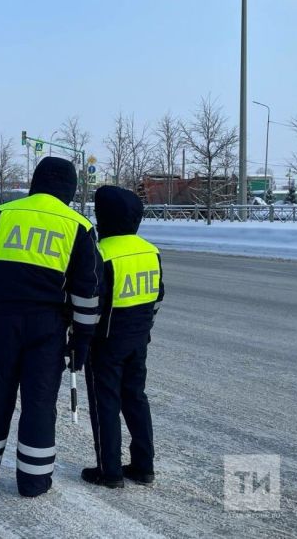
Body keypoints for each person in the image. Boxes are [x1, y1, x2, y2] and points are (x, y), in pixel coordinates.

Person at [0, 156, 103, 497]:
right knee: (39, 403)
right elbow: (86, 292)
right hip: (48, 328)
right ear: (70, 189)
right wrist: (82, 340)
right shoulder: (79, 226)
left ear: (35, 182)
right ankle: (34, 481)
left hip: (1, 320)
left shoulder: (3, 214)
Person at [82, 185, 165, 489]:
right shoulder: (150, 251)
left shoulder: (102, 253)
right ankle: (144, 467)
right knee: (136, 400)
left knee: (105, 404)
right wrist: (143, 329)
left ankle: (110, 471)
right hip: (138, 340)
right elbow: (157, 297)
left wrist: (80, 339)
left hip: (105, 344)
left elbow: (92, 304)